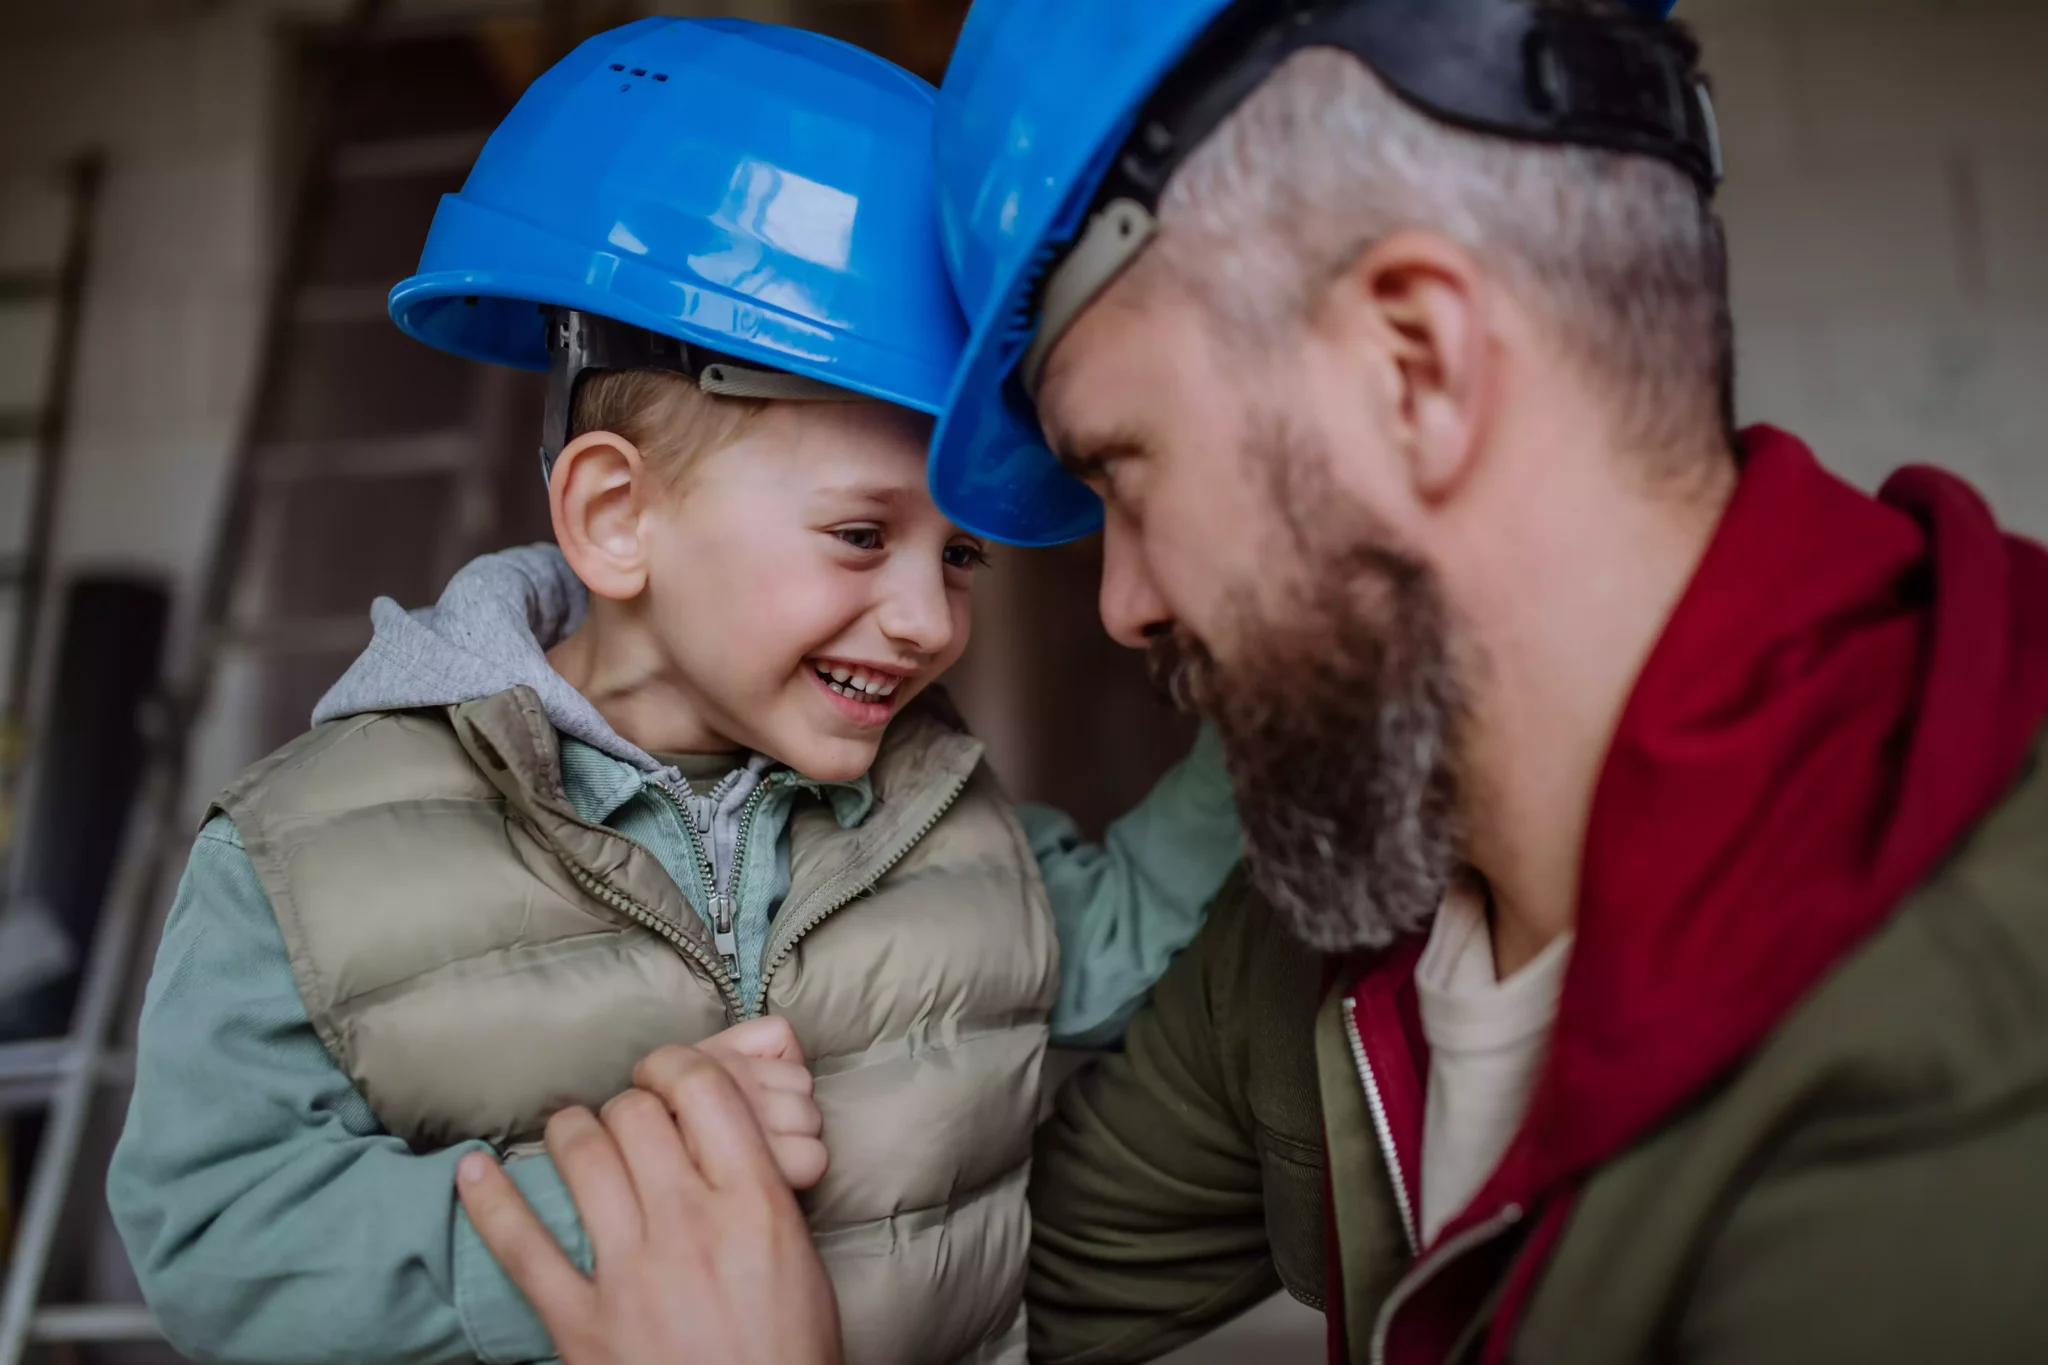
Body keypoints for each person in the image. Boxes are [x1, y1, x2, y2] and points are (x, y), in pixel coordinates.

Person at [460, 0, 2048, 1363]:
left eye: (1128, 475)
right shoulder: (1345, 929)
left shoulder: (1973, 1056)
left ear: (1412, 369)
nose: (1130, 606)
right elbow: (999, 1303)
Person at [104, 19, 1241, 1365]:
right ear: (616, 516)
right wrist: (615, 1211)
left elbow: (1131, 926)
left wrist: (1278, 704)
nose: (932, 618)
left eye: (962, 554)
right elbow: (217, 1235)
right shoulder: (302, 859)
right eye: (862, 537)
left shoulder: (951, 819)